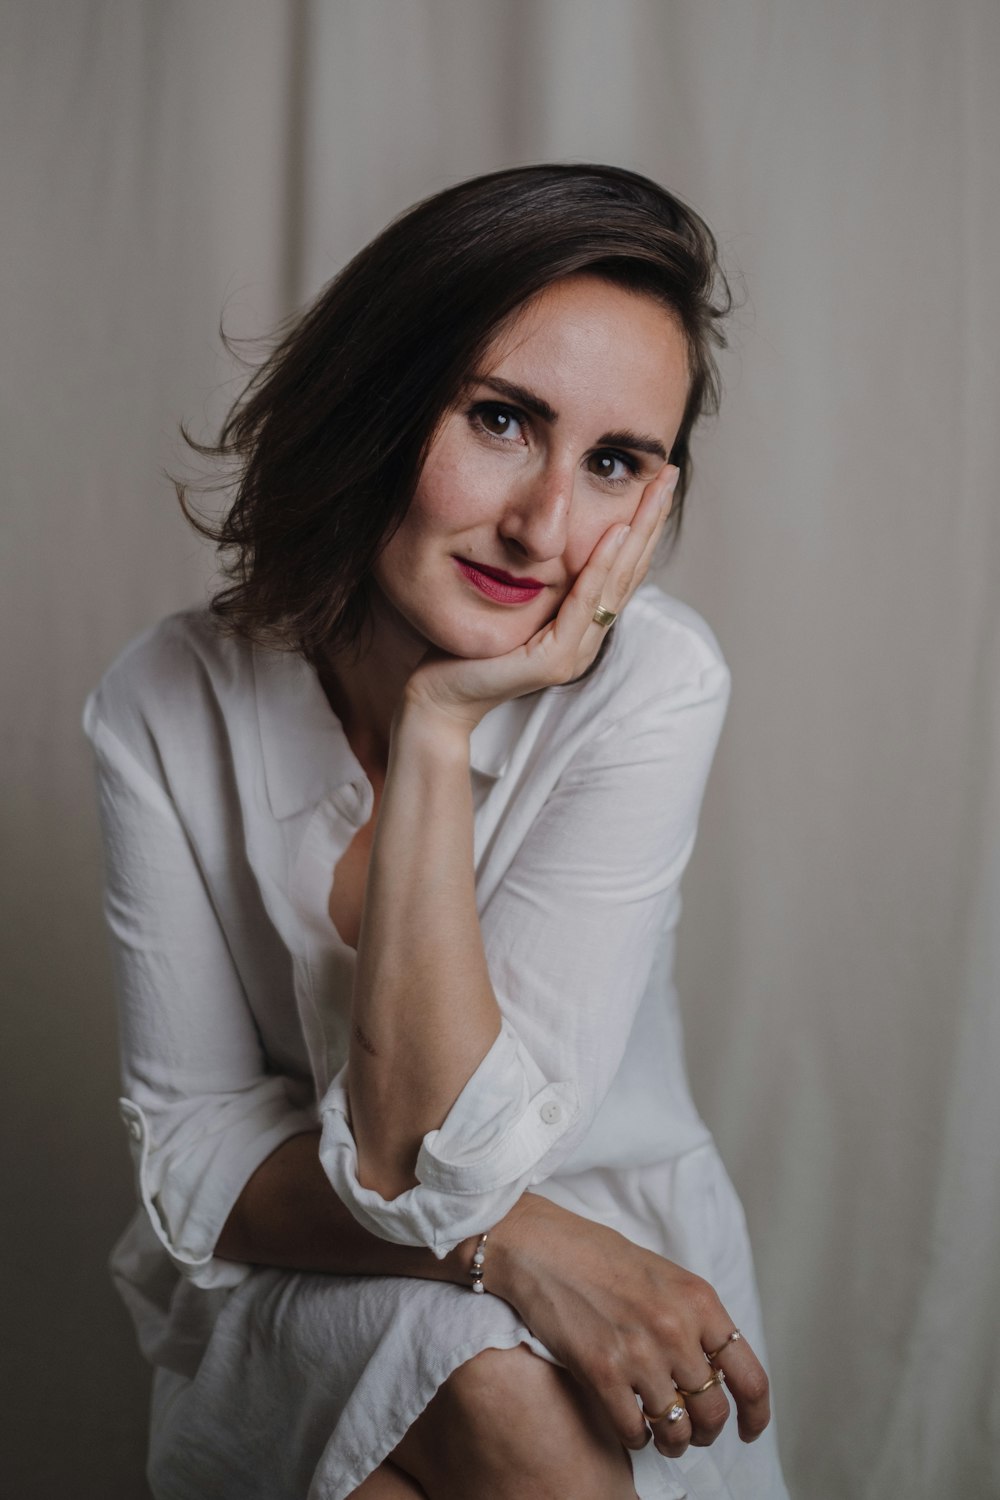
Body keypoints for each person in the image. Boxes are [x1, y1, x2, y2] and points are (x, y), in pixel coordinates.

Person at [84, 163, 789, 1499]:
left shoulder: (654, 683)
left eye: (615, 463)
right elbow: (200, 1163)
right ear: (379, 396)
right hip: (317, 1281)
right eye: (504, 420)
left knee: (497, 1395)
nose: (543, 528)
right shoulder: (165, 701)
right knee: (483, 1377)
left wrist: (438, 727)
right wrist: (512, 1246)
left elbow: (432, 1156)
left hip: (628, 1291)